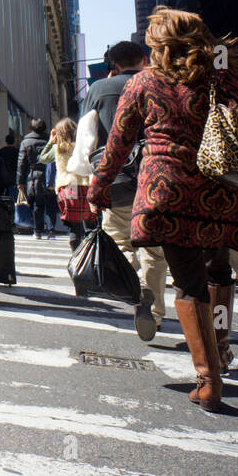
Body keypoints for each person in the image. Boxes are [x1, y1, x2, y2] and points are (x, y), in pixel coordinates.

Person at [91, 8, 238, 411]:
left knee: (189, 284)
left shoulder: (143, 82)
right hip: (222, 193)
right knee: (219, 272)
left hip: (167, 194)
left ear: (158, 44)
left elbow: (118, 142)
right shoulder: (220, 77)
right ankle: (220, 348)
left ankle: (209, 382)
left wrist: (100, 185)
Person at [82, 40, 167, 340]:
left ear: (112, 65)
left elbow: (86, 142)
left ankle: (136, 293)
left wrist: (92, 182)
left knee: (119, 240)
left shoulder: (97, 90)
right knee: (154, 251)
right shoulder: (159, 83)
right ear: (144, 59)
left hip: (115, 179)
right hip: (155, 180)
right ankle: (153, 311)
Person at [50, 118, 93, 250]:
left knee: (74, 225)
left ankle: (76, 254)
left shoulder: (58, 148)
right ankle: (90, 253)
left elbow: (42, 157)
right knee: (90, 222)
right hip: (85, 184)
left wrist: (51, 140)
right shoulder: (82, 146)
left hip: (68, 186)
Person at [17, 119, 57, 239]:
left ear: (30, 128)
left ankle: (38, 230)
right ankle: (51, 230)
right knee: (50, 204)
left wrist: (20, 182)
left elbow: (21, 164)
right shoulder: (49, 141)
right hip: (49, 175)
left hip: (33, 177)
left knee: (37, 205)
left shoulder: (26, 142)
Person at [0, 131, 19, 199]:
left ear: (6, 141)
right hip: (14, 174)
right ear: (14, 141)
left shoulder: (1, 151)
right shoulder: (17, 151)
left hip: (3, 175)